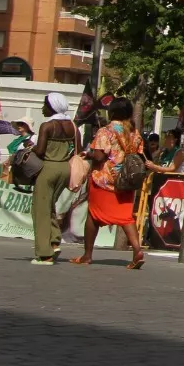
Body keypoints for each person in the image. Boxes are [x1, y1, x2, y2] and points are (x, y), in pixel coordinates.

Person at [73, 96, 145, 269]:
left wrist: (88, 154)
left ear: (111, 112)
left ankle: (87, 255)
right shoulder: (134, 133)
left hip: (105, 181)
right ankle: (137, 250)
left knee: (93, 215)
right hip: (126, 182)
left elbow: (99, 156)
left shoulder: (105, 131)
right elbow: (140, 154)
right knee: (126, 217)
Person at [29, 92, 79, 265]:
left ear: (52, 106)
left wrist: (31, 147)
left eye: (45, 104)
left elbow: (41, 151)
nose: (43, 108)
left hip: (48, 168)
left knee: (40, 210)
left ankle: (45, 254)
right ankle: (55, 242)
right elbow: (77, 149)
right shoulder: (72, 125)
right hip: (65, 169)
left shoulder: (47, 126)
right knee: (49, 205)